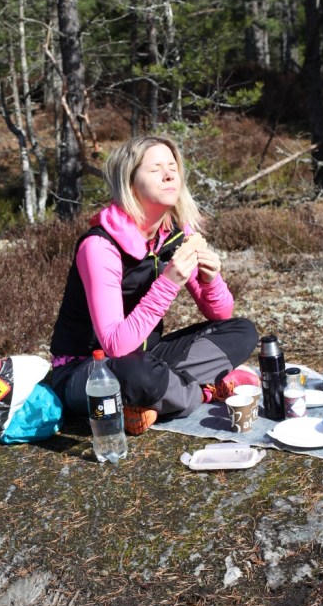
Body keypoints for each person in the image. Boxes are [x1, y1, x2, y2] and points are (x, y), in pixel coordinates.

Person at [50, 134, 259, 434]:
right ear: (130, 180)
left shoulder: (175, 233)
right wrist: (169, 282)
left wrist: (211, 280)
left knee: (242, 331)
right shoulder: (99, 246)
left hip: (147, 356)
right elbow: (114, 345)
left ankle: (157, 398)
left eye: (173, 166)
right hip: (88, 369)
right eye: (155, 168)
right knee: (136, 374)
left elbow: (221, 315)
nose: (169, 174)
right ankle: (201, 392)